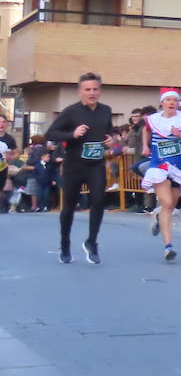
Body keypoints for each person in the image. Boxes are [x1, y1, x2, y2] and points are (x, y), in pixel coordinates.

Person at [46, 73, 118, 265]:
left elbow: (108, 130)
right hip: (73, 166)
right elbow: (50, 133)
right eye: (87, 89)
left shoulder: (106, 111)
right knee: (69, 207)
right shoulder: (71, 112)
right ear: (80, 92)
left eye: (95, 89)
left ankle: (92, 242)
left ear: (100, 91)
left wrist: (110, 139)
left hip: (95, 164)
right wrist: (72, 133)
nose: (92, 93)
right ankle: (65, 244)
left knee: (98, 201)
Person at [142, 89, 181, 262]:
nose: (171, 102)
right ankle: (168, 247)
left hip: (178, 167)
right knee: (167, 203)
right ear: (162, 103)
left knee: (170, 206)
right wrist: (145, 146)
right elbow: (146, 130)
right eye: (168, 99)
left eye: (174, 100)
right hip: (158, 165)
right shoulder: (153, 120)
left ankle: (159, 215)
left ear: (178, 103)